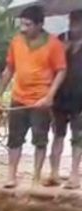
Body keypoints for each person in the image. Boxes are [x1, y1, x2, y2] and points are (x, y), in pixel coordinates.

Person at [0, 5, 67, 189]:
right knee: (14, 139)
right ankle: (11, 175)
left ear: (39, 25)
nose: (23, 28)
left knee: (40, 140)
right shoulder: (16, 42)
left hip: (40, 101)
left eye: (28, 25)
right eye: (22, 24)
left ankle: (36, 176)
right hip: (19, 97)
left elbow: (61, 71)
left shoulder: (54, 45)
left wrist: (50, 96)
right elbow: (9, 69)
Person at [51, 10, 82, 189]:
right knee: (58, 134)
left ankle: (74, 174)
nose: (74, 25)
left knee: (78, 136)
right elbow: (49, 65)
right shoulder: (60, 39)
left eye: (78, 21)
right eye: (72, 21)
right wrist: (63, 52)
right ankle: (54, 172)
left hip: (80, 98)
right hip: (60, 96)